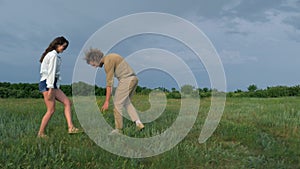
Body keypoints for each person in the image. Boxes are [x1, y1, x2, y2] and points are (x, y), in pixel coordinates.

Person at [84, 48, 144, 134]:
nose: (95, 67)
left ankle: (118, 129)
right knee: (126, 103)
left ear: (95, 59)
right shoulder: (111, 56)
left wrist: (107, 101)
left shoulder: (108, 62)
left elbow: (109, 84)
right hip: (134, 79)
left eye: (93, 64)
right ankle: (138, 123)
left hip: (126, 80)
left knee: (117, 104)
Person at [37, 36, 81, 138]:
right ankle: (41, 133)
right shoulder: (53, 56)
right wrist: (51, 89)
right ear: (57, 44)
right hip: (48, 84)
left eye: (65, 47)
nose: (63, 49)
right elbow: (51, 73)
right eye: (63, 46)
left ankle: (71, 127)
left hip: (52, 84)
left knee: (67, 103)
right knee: (51, 110)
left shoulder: (52, 55)